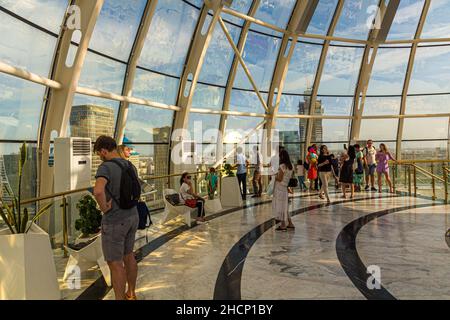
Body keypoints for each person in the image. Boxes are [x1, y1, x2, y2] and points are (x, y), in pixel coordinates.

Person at [93, 136, 140, 300]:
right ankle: (131, 293)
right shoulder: (129, 165)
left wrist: (104, 207)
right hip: (133, 215)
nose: (100, 156)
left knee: (115, 263)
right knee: (129, 256)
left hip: (115, 220)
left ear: (104, 151)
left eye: (99, 153)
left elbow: (98, 191)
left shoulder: (105, 167)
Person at [273, 149, 295, 231]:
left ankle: (283, 225)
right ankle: (290, 223)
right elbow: (288, 178)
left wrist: (274, 176)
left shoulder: (282, 166)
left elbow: (279, 178)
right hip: (285, 187)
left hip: (279, 187)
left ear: (281, 157)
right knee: (284, 206)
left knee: (280, 206)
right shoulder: (291, 166)